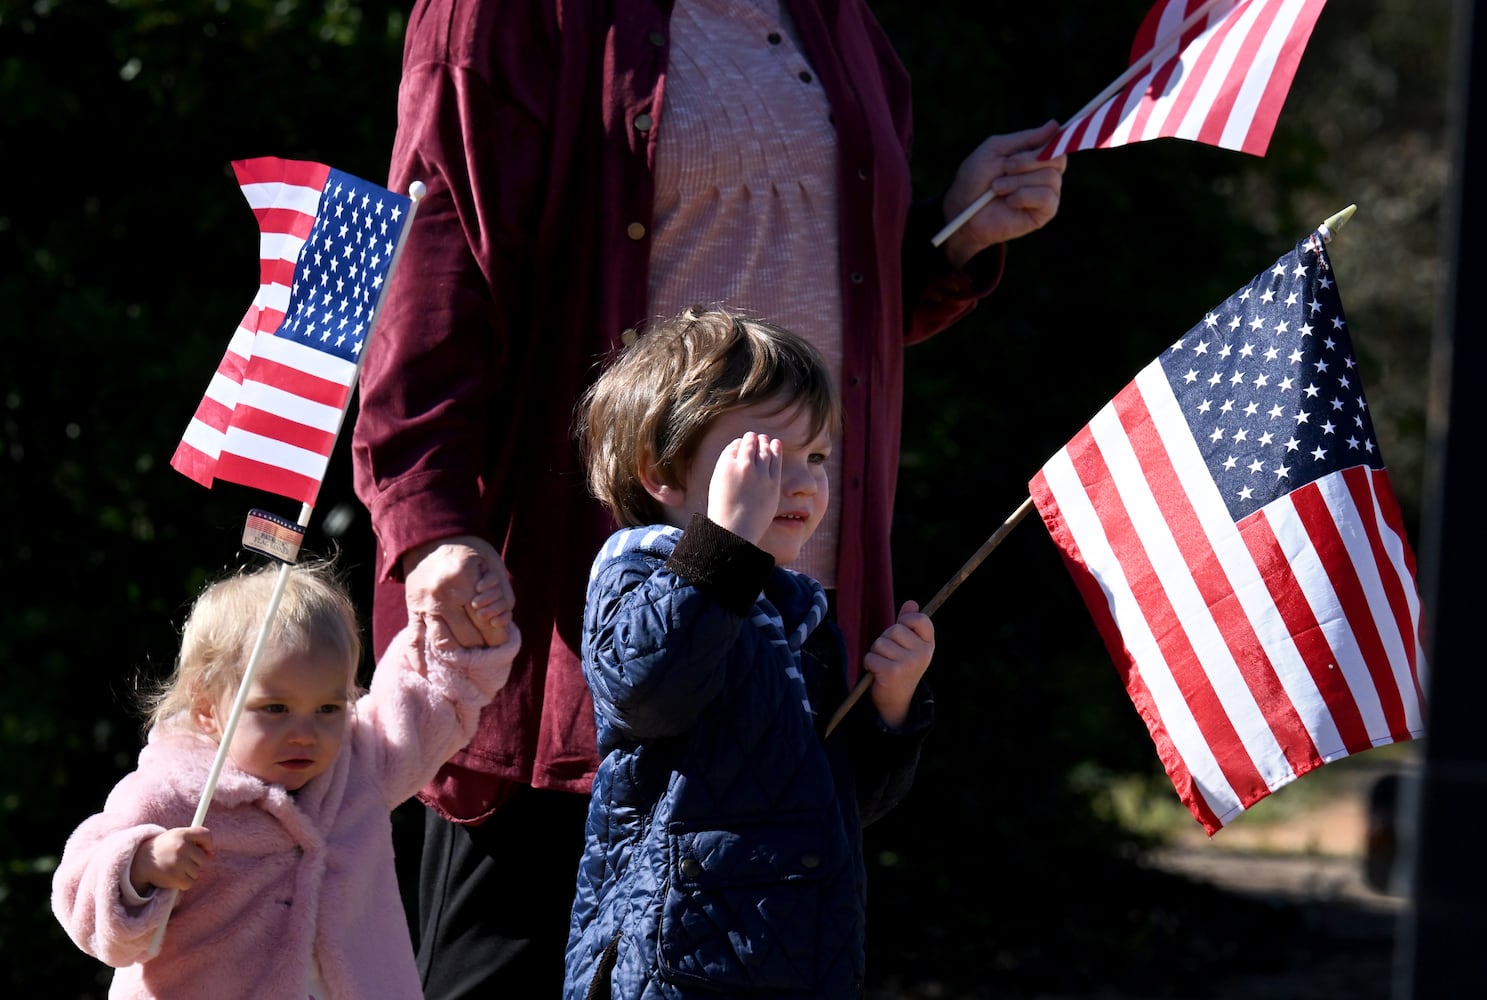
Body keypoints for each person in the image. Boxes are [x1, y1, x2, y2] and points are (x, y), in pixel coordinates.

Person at [351, 0, 1065, 992]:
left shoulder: (838, 17)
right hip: (582, 629)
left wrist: (948, 241)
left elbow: (812, 299)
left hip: (787, 640)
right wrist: (429, 528)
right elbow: (431, 284)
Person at [565, 306, 935, 997]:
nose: (800, 482)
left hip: (798, 949)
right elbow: (648, 693)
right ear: (660, 472)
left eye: (816, 456)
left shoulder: (795, 606)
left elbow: (845, 799)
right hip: (674, 954)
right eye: (764, 457)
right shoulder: (636, 570)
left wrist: (889, 708)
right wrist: (723, 542)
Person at [50, 550, 519, 999]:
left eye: (328, 708)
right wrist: (141, 865)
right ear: (206, 706)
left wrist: (461, 627)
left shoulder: (358, 764)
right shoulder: (172, 792)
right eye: (275, 708)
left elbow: (427, 697)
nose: (305, 733)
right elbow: (80, 896)